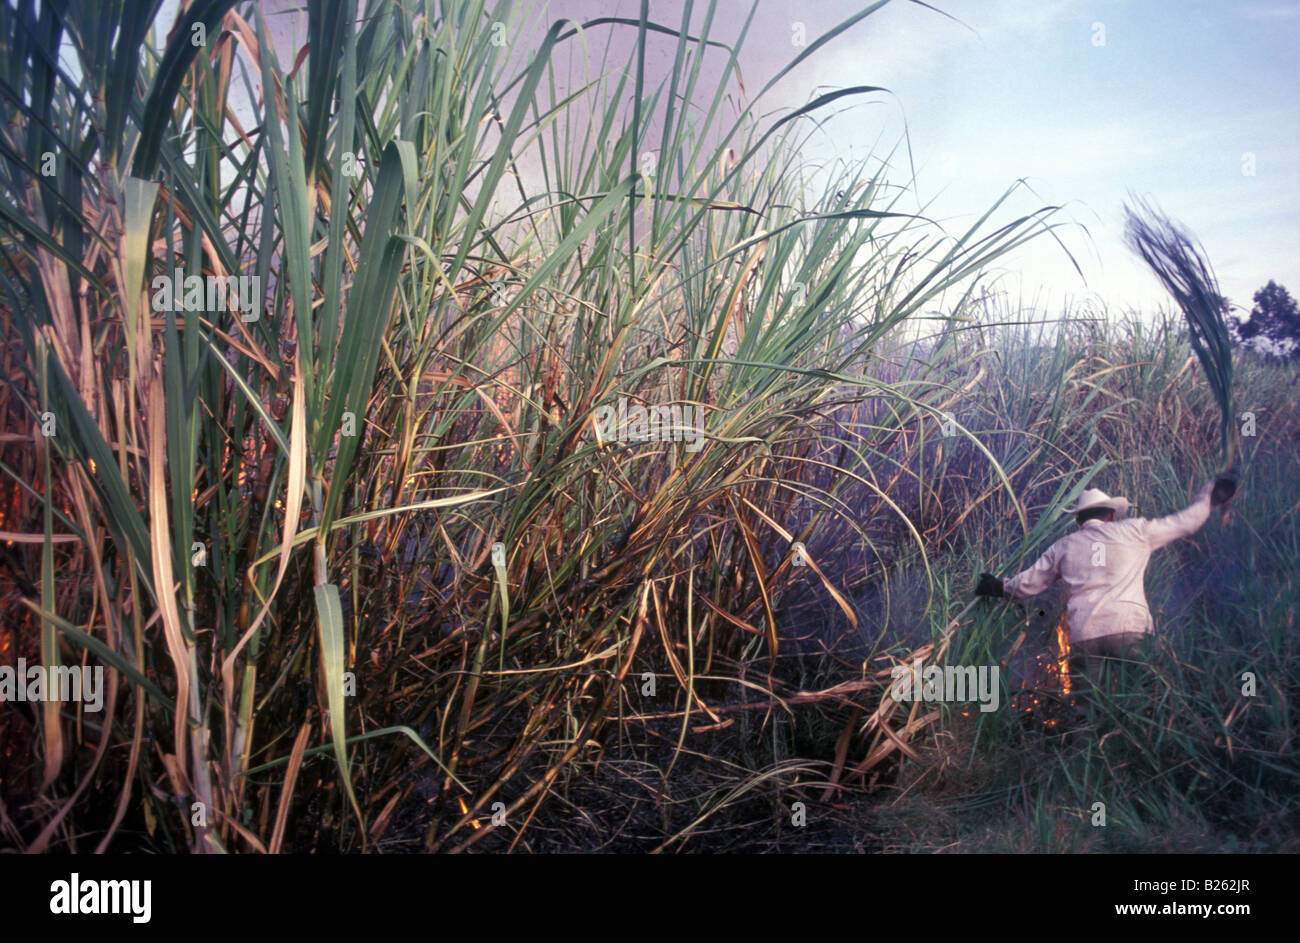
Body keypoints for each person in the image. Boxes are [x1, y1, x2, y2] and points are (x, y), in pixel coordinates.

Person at [974, 477, 1236, 689]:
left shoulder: (1064, 546)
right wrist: (1211, 493)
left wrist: (997, 587)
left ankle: (1084, 746)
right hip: (1129, 629)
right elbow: (1186, 522)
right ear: (1111, 515)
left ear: (1079, 520)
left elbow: (1027, 585)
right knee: (1146, 697)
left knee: (1086, 712)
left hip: (1085, 635)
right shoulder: (1136, 531)